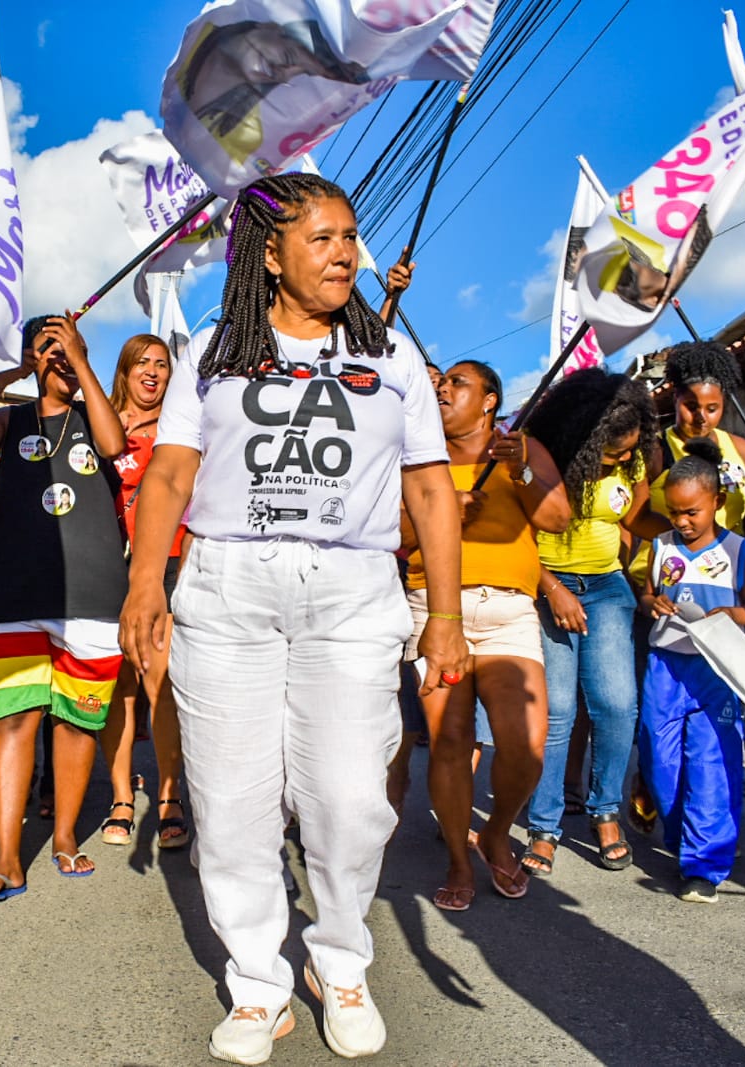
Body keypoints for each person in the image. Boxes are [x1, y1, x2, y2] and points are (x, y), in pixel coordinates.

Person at [120, 172, 465, 1064]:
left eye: (351, 235)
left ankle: (340, 961)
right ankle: (259, 984)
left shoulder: (392, 358)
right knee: (230, 804)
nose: (345, 251)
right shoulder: (213, 351)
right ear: (270, 255)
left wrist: (447, 617)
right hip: (229, 590)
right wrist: (144, 587)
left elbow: (430, 486)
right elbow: (167, 476)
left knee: (352, 799)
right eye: (322, 237)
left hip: (352, 594)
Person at [0, 313, 128, 901]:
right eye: (47, 348)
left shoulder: (92, 409)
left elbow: (113, 444)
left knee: (76, 721)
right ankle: (6, 856)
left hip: (91, 595)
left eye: (67, 348)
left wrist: (79, 360)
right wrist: (2, 379)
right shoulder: (10, 418)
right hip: (13, 592)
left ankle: (66, 837)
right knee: (14, 718)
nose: (58, 358)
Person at [407, 360, 570, 912]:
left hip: (507, 612)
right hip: (432, 609)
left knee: (524, 743)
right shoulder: (416, 454)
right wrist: (444, 512)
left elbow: (556, 519)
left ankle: (496, 831)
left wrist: (523, 471)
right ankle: (458, 857)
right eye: (442, 382)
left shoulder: (521, 450)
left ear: (490, 401)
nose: (444, 389)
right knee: (450, 742)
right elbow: (390, 532)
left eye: (458, 383)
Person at [521, 369, 668, 877]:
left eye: (631, 448)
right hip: (548, 588)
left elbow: (635, 518)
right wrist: (552, 588)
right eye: (614, 452)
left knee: (615, 706)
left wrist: (693, 525)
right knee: (557, 712)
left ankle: (606, 812)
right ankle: (544, 826)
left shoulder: (633, 458)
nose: (626, 458)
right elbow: (516, 535)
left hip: (607, 589)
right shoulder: (542, 460)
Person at [627, 342, 745, 835]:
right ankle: (654, 781)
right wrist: (677, 535)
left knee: (712, 725)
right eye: (689, 405)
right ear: (673, 398)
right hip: (667, 597)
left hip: (727, 601)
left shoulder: (741, 451)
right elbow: (634, 515)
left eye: (712, 408)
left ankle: (705, 821)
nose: (700, 417)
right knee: (659, 714)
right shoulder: (658, 446)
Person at [637, 438, 745, 904]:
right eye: (674, 512)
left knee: (711, 762)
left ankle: (703, 865)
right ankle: (679, 836)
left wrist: (735, 615)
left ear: (717, 502)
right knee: (658, 756)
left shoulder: (739, 550)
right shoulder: (661, 546)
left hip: (718, 669)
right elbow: (648, 595)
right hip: (666, 666)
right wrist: (654, 603)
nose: (682, 521)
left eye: (692, 511)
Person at [98, 333, 189, 850]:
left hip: (165, 562)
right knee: (117, 684)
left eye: (162, 364)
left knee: (159, 679)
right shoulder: (99, 422)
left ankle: (170, 794)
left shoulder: (178, 429)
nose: (152, 372)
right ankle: (121, 795)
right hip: (106, 563)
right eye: (142, 363)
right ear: (125, 370)